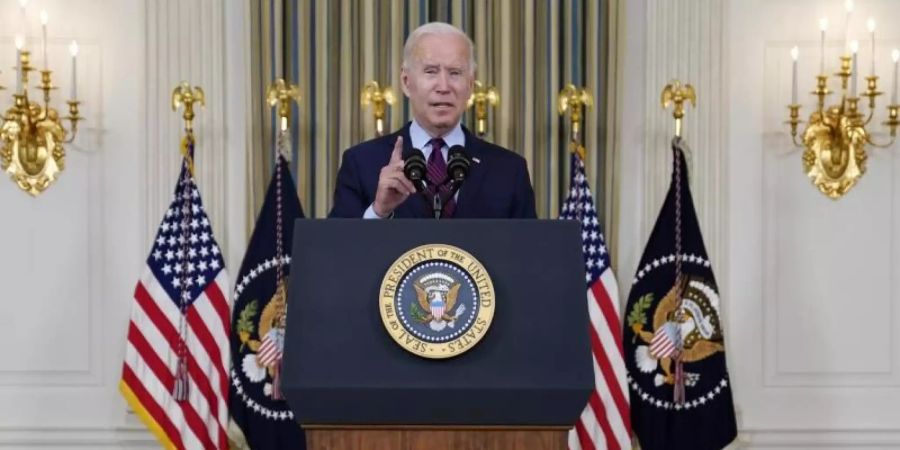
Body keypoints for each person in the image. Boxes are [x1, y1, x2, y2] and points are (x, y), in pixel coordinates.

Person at [328, 22, 537, 219]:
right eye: (431, 71)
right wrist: (379, 211)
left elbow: (528, 252)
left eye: (455, 73)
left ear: (471, 85)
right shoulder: (361, 162)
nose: (444, 86)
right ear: (406, 81)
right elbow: (336, 251)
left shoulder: (509, 170)